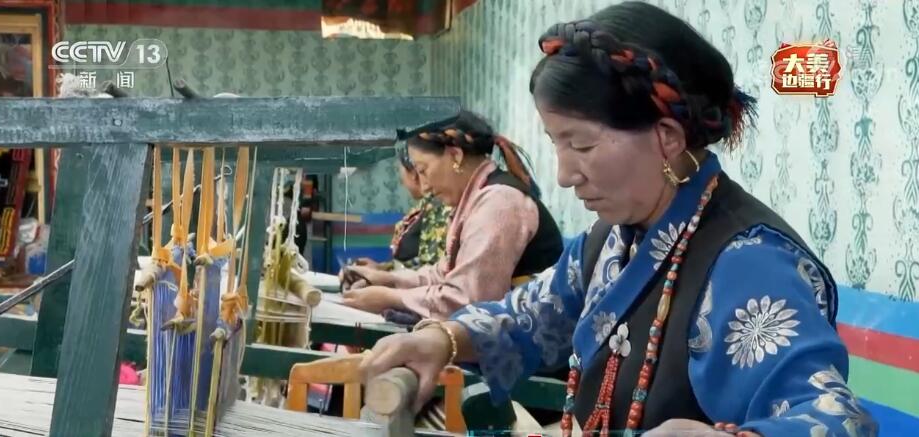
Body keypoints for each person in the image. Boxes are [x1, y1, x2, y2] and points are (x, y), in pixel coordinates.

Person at [359, 3, 877, 436]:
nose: (564, 175)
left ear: (666, 137)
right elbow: (532, 314)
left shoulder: (748, 262)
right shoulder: (612, 238)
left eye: (581, 145)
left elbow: (836, 420)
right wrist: (442, 339)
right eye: (557, 145)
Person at [341, 111, 564, 321]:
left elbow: (470, 301)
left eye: (423, 170)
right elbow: (444, 274)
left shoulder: (500, 202)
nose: (424, 186)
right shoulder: (476, 199)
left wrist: (391, 298)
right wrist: (388, 280)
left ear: (455, 155)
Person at [356, 147, 451, 271]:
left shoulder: (438, 207)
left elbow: (431, 267)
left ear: (413, 174)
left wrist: (384, 275)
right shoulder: (425, 206)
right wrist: (381, 268)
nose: (402, 181)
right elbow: (412, 264)